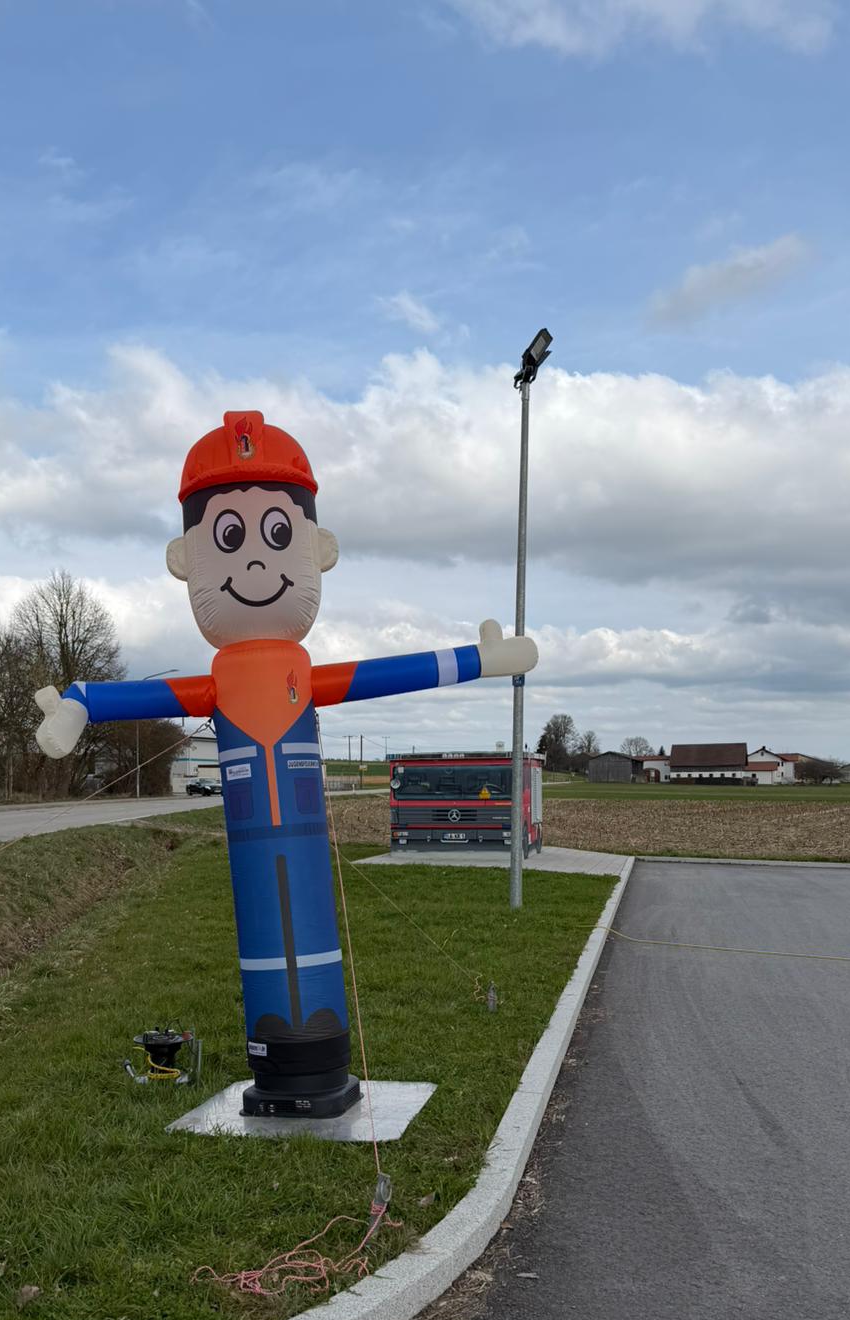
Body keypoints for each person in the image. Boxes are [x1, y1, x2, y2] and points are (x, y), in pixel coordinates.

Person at [35, 411, 537, 1117]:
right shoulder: (219, 676)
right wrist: (78, 704)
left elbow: (387, 672)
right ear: (187, 559)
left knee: (309, 940)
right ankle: (276, 1066)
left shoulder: (299, 667)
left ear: (316, 547)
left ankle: (320, 1062)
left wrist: (482, 660)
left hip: (301, 834)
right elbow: (133, 694)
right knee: (270, 946)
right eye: (230, 539)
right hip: (250, 837)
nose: (257, 562)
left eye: (277, 535)